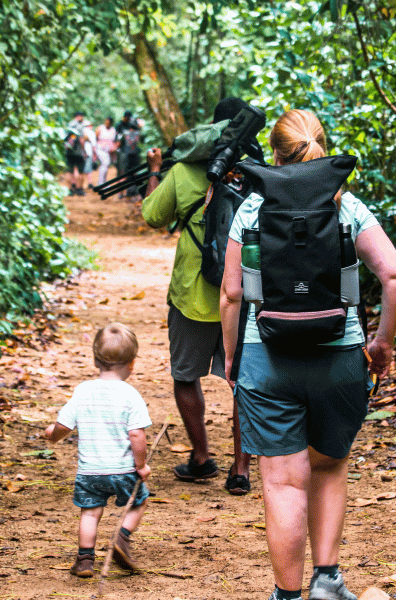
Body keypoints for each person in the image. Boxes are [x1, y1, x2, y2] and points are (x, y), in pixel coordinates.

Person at [219, 109, 396, 600]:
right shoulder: (347, 205)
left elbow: (232, 294)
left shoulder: (252, 207)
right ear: (323, 145)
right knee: (327, 467)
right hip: (340, 357)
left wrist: (233, 357)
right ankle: (327, 580)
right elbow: (394, 276)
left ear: (275, 154)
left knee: (283, 484)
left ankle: (286, 596)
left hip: (267, 356)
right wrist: (381, 343)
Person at [141, 97, 253, 496]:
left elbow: (153, 215)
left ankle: (202, 457)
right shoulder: (257, 172)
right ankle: (241, 469)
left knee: (185, 375)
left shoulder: (185, 169)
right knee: (244, 382)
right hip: (244, 293)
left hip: (192, 291)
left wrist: (156, 171)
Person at [43, 322, 152, 578]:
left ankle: (84, 560)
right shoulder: (130, 395)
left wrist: (52, 435)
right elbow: (137, 434)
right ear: (132, 364)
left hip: (89, 471)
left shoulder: (83, 391)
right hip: (123, 471)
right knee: (139, 502)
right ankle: (121, 538)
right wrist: (141, 465)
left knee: (90, 513)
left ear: (95, 360)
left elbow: (63, 425)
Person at [115, 110, 142, 199]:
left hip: (125, 155)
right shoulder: (138, 133)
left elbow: (118, 144)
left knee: (122, 173)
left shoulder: (124, 133)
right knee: (132, 173)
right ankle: (130, 192)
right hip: (133, 155)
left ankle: (121, 193)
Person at [95, 117, 117, 187]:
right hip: (100, 149)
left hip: (108, 151)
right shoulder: (100, 128)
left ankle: (104, 182)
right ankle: (100, 183)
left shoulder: (113, 130)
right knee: (105, 163)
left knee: (106, 165)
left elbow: (114, 140)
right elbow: (95, 137)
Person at [64, 129, 86, 196]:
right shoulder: (80, 129)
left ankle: (71, 189)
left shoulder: (67, 130)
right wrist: (84, 151)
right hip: (79, 154)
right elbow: (81, 141)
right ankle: (79, 189)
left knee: (70, 172)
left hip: (69, 154)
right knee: (80, 172)